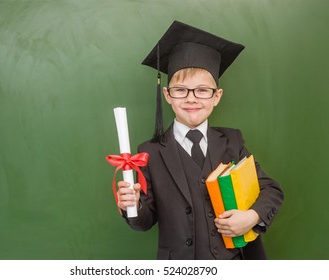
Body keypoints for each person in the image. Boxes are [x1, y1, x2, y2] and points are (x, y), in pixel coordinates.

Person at [116, 20, 284, 260]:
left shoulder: (231, 142)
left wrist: (251, 217)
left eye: (203, 90)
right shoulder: (149, 152)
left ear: (217, 97)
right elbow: (144, 221)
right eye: (181, 90)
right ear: (167, 95)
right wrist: (131, 206)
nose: (191, 98)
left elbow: (271, 189)